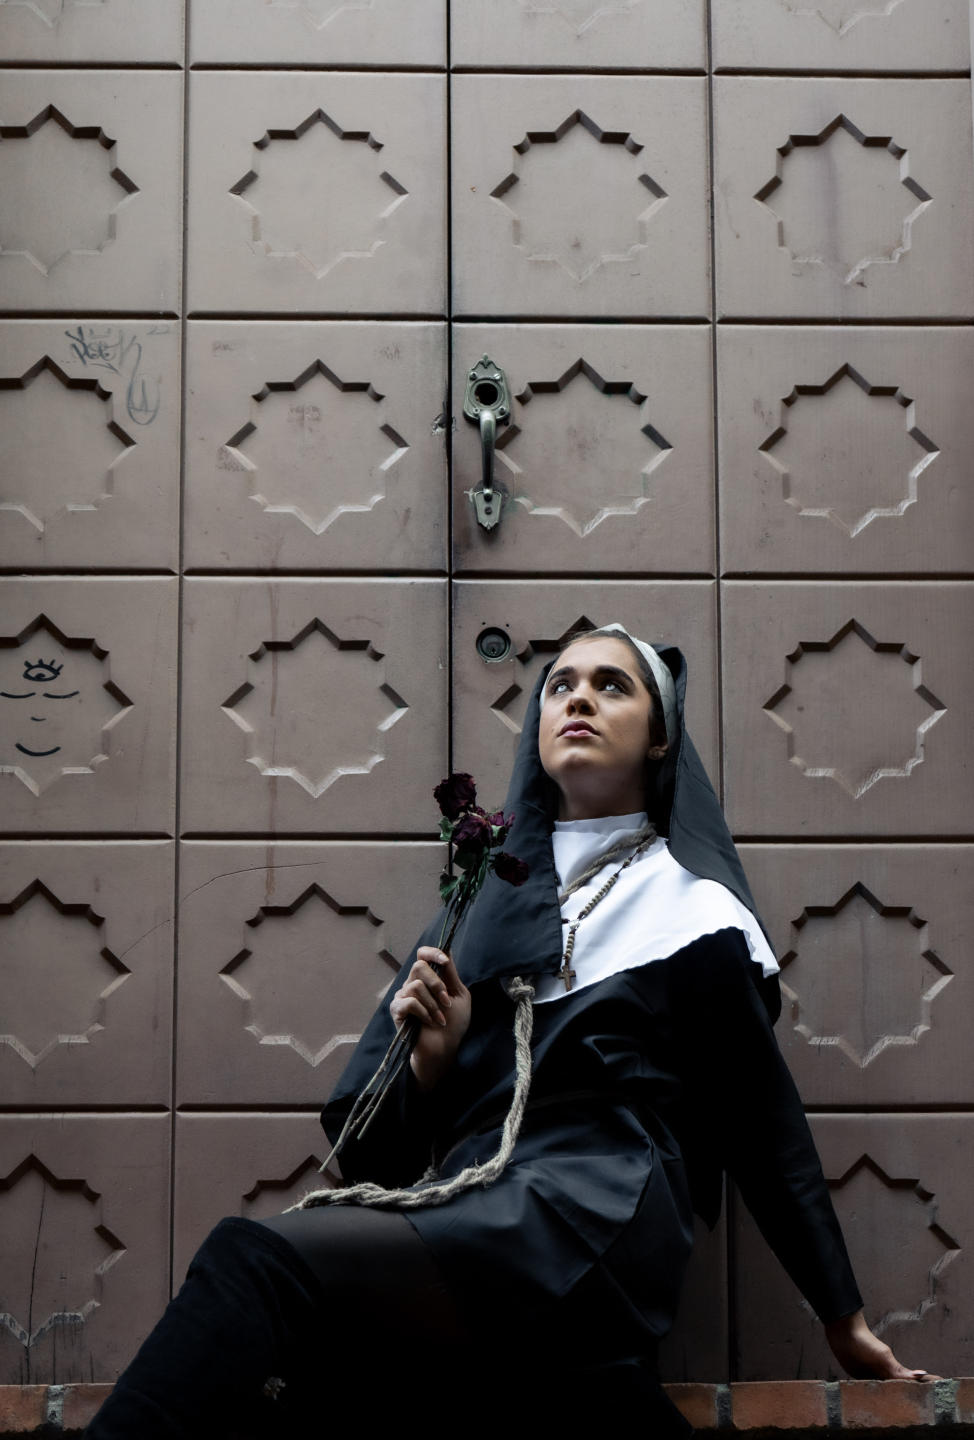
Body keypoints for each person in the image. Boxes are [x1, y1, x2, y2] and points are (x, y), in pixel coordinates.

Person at [87, 625, 930, 1439]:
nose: (578, 700)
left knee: (258, 1260)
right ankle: (596, 1380)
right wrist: (432, 1066)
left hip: (599, 1203)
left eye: (612, 686)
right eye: (560, 686)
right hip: (480, 1213)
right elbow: (369, 1151)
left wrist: (842, 1319)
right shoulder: (480, 905)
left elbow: (762, 1124)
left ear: (661, 737)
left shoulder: (698, 911)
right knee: (347, 1388)